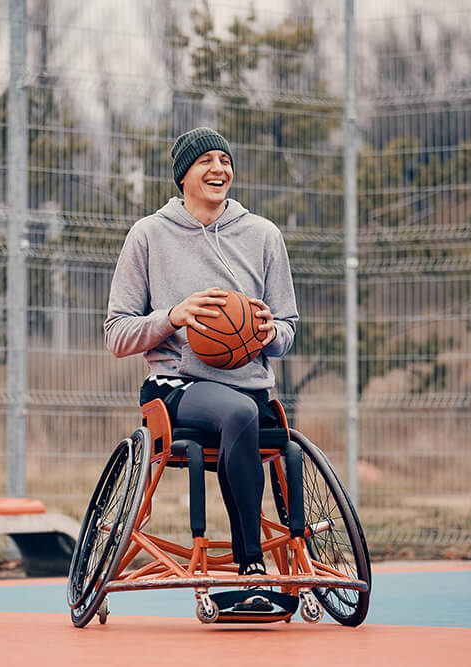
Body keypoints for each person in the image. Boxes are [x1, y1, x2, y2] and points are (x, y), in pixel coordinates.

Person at [104, 127, 299, 611]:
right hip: (177, 387)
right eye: (205, 161)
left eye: (225, 160)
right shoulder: (148, 235)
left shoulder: (263, 235)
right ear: (182, 176)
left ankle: (267, 565)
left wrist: (267, 331)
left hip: (251, 388)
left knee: (246, 411)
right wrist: (174, 315)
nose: (219, 169)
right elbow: (116, 333)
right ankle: (252, 568)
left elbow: (289, 329)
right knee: (237, 414)